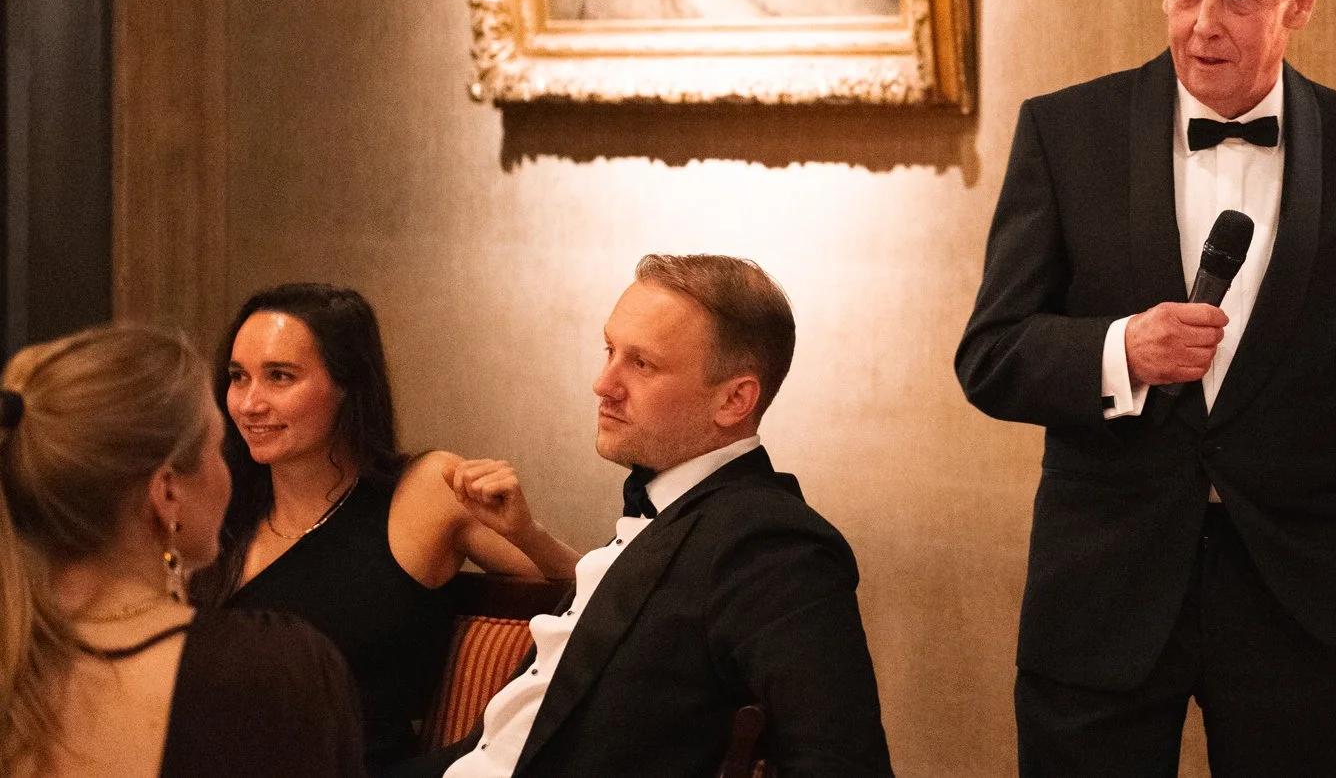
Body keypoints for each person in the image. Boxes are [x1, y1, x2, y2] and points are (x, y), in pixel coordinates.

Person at [957, 0, 1336, 778]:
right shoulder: (1067, 132)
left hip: (1301, 598)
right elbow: (989, 355)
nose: (1203, 22)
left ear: (1300, 2)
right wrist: (1120, 351)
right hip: (1104, 590)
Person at [410, 255, 891, 778]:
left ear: (734, 399)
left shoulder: (771, 542)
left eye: (641, 364)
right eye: (610, 351)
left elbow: (841, 762)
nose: (603, 383)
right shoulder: (670, 515)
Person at [199, 284, 580, 770]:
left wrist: (526, 531)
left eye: (279, 377)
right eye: (238, 377)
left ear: (347, 385)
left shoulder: (422, 491)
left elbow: (591, 589)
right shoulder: (221, 507)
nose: (249, 403)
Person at [1, 322, 361, 778]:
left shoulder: (16, 648)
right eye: (216, 449)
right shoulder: (268, 675)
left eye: (279, 376)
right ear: (167, 493)